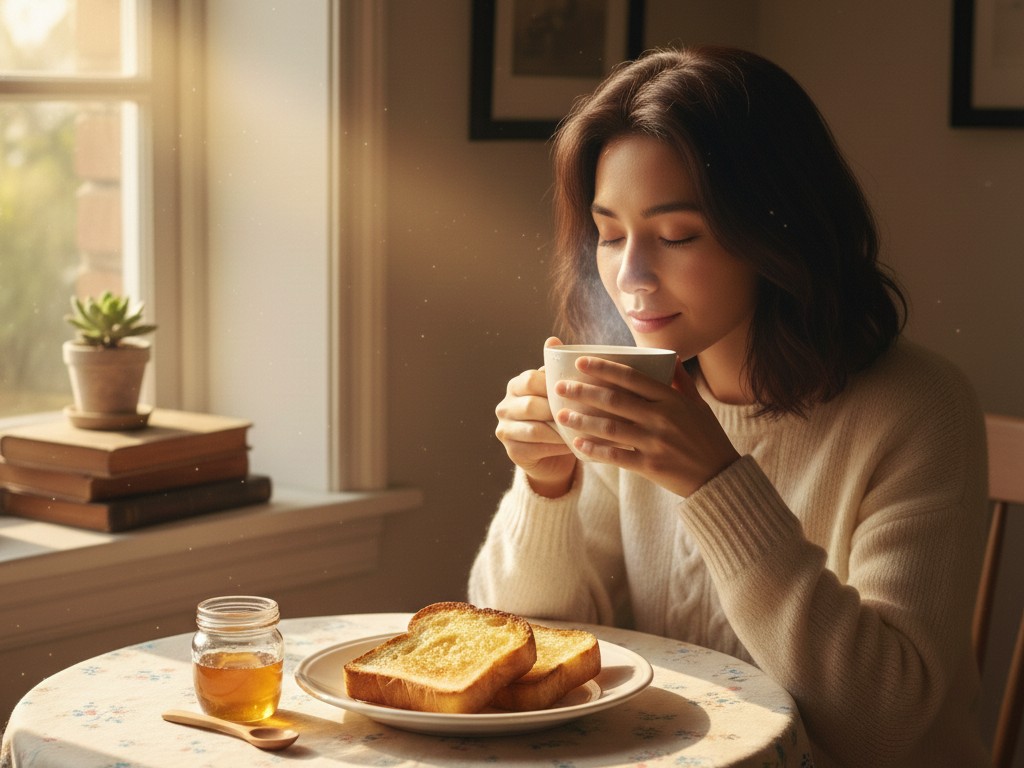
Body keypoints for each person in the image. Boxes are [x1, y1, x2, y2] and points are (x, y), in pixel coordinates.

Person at [468, 46, 990, 767]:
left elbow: (883, 725)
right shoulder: (644, 385)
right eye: (610, 234)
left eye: (678, 235)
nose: (632, 278)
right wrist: (547, 487)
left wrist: (716, 482)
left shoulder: (919, 410)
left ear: (776, 233)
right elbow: (519, 656)